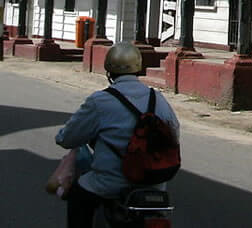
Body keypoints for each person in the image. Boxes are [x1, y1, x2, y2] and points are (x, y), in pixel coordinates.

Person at [56, 42, 180, 228]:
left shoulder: (101, 101)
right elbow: (174, 133)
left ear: (109, 71)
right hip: (154, 184)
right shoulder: (158, 98)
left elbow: (67, 138)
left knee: (78, 196)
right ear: (138, 68)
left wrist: (63, 136)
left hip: (110, 183)